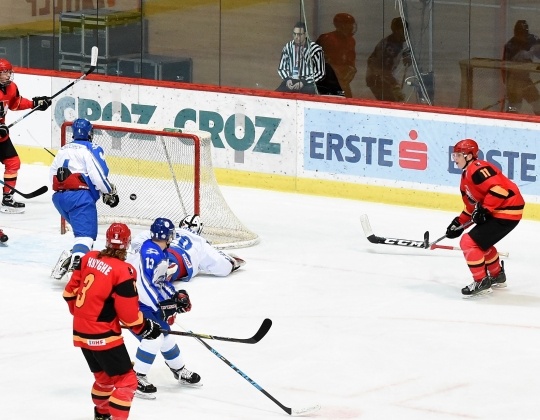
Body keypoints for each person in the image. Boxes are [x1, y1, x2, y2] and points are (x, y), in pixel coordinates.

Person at [62, 223, 162, 420]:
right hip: (104, 336)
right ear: (127, 244)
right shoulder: (124, 270)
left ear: (107, 241)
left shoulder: (88, 258)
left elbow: (69, 293)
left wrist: (86, 315)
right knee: (127, 382)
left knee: (104, 379)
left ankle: (101, 416)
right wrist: (145, 327)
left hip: (80, 332)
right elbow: (129, 316)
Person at [126, 217, 201, 399]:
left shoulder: (156, 249)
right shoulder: (153, 254)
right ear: (168, 236)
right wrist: (169, 304)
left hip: (145, 303)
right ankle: (136, 378)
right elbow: (150, 285)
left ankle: (179, 370)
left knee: (165, 336)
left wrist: (174, 297)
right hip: (136, 305)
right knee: (154, 338)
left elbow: (159, 283)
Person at [445, 139, 525, 297]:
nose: (455, 158)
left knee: (468, 242)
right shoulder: (465, 179)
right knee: (481, 243)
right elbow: (471, 208)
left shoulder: (478, 169)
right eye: (454, 155)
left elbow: (500, 190)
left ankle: (481, 281)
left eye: (458, 155)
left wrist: (485, 209)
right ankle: (497, 276)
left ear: (469, 156)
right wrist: (458, 225)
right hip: (500, 210)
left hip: (507, 210)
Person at [50, 118, 119, 281]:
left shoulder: (63, 149)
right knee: (86, 237)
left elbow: (52, 174)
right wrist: (108, 192)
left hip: (59, 199)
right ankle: (78, 273)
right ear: (90, 133)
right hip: (79, 199)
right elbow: (97, 175)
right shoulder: (90, 148)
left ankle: (73, 255)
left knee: (82, 235)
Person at [0, 58, 51, 213]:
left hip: (2, 137)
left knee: (13, 162)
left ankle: (7, 197)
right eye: (5, 72)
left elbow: (15, 103)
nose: (9, 75)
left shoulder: (11, 87)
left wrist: (34, 104)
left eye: (9, 72)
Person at [130, 214, 246, 282]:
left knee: (144, 256)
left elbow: (136, 241)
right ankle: (165, 271)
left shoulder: (170, 231)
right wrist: (232, 263)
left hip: (161, 250)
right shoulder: (201, 242)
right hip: (181, 260)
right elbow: (222, 267)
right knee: (173, 266)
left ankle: (134, 266)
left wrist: (140, 249)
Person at [366, 17, 411, 102]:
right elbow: (383, 70)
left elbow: (404, 51)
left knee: (394, 101)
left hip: (381, 77)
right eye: (404, 30)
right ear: (397, 31)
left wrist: (406, 56)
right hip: (377, 78)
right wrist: (394, 85)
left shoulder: (398, 41)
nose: (406, 33)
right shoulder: (389, 47)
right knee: (392, 102)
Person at [502, 20, 540, 114]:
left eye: (524, 34)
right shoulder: (510, 47)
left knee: (538, 104)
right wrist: (508, 86)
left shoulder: (532, 39)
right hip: (514, 82)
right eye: (520, 34)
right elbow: (504, 68)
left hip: (526, 80)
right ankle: (509, 123)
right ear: (516, 34)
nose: (523, 37)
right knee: (514, 107)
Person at [276, 21, 325, 94]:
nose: (296, 37)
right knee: (276, 96)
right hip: (291, 81)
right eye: (294, 34)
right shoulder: (288, 47)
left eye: (299, 34)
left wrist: (303, 81)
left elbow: (320, 72)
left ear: (305, 34)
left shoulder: (315, 50)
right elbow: (281, 68)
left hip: (308, 83)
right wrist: (287, 79)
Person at [316, 13, 357, 98]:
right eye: (349, 24)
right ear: (341, 25)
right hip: (327, 81)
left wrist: (350, 70)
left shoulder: (351, 41)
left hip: (342, 81)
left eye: (352, 24)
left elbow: (350, 60)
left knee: (348, 100)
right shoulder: (327, 38)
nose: (352, 27)